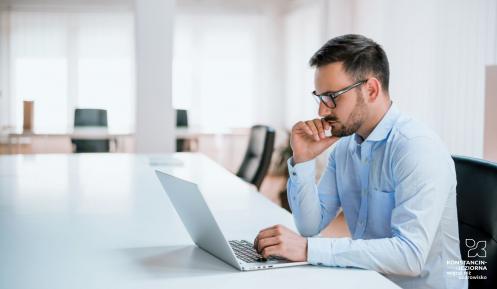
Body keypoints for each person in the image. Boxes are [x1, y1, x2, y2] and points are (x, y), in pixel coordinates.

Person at [253, 34, 467, 289]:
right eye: (320, 97)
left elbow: (410, 256)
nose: (322, 111)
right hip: (366, 279)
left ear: (371, 90)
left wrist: (309, 250)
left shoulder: (415, 147)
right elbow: (310, 225)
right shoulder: (344, 147)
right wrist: (303, 159)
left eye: (332, 96)